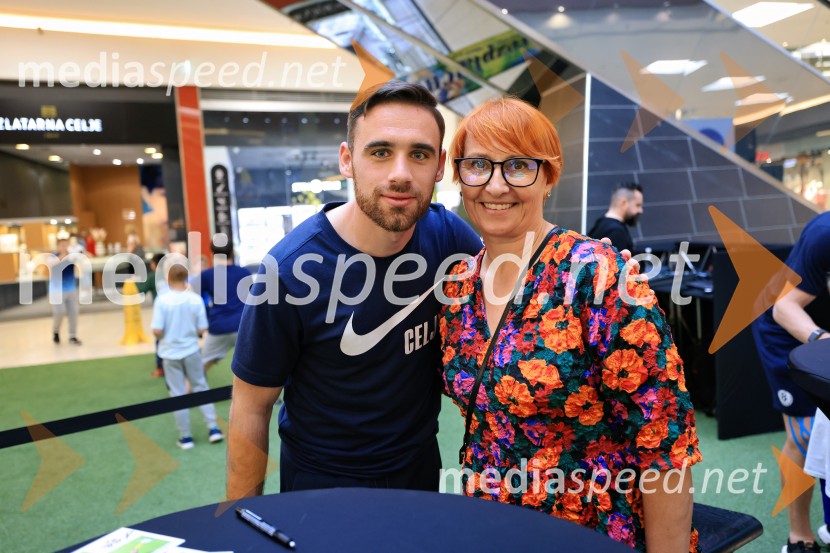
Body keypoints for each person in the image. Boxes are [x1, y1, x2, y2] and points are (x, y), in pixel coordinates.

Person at [440, 97, 700, 552]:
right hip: (490, 525)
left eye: (519, 166)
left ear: (549, 176)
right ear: (460, 176)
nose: (496, 186)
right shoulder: (458, 289)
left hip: (590, 532)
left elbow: (665, 445)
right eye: (478, 165)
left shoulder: (600, 278)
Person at [226, 81, 483, 499]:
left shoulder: (448, 237)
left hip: (420, 473)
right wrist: (240, 519)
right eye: (380, 152)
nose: (400, 173)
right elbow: (252, 406)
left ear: (439, 166)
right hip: (321, 485)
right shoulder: (289, 271)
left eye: (418, 154)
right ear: (347, 160)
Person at [752, 211, 830, 553]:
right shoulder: (824, 235)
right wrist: (822, 341)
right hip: (786, 327)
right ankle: (800, 537)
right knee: (805, 435)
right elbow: (785, 308)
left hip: (822, 319)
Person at [151, 263, 224, 449]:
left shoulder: (162, 300)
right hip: (191, 350)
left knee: (177, 394)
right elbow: (202, 329)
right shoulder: (195, 300)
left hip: (169, 353)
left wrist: (165, 336)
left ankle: (185, 437)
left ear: (169, 279)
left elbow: (157, 330)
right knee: (201, 387)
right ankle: (213, 428)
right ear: (186, 278)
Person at [197, 239, 251, 371]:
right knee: (257, 367)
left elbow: (190, 297)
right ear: (232, 252)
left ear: (212, 254)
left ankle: (186, 391)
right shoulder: (244, 273)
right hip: (243, 326)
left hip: (219, 326)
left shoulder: (207, 275)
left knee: (198, 371)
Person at [587, 182, 643, 253]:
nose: (641, 210)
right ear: (623, 203)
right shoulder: (616, 232)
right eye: (637, 205)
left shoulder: (601, 223)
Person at [135, 253, 166, 378]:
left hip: (161, 313)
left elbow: (141, 289)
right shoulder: (171, 274)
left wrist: (134, 280)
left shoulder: (153, 276)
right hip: (176, 309)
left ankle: (160, 367)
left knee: (160, 339)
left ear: (154, 264)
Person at [48, 237, 82, 345]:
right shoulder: (52, 258)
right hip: (56, 291)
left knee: (73, 313)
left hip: (71, 289)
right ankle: (56, 331)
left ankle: (73, 336)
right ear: (58, 247)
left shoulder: (71, 256)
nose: (65, 247)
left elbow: (81, 260)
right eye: (62, 245)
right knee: (59, 312)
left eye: (66, 245)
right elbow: (53, 264)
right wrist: (63, 255)